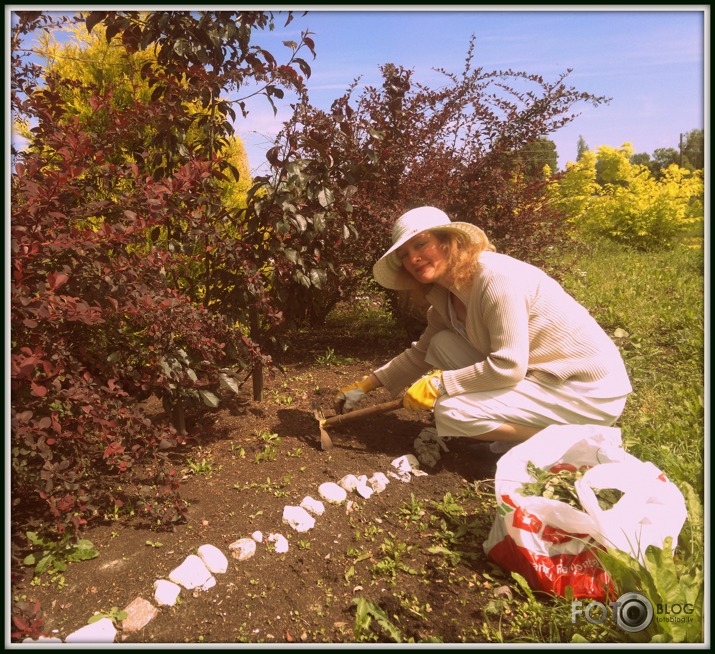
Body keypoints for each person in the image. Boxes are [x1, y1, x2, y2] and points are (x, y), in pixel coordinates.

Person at [334, 206, 632, 467]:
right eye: (405, 255)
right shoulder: (445, 298)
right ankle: (530, 429)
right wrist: (364, 386)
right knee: (441, 345)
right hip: (539, 376)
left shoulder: (495, 278)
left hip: (585, 390)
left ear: (449, 241)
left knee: (450, 411)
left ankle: (579, 442)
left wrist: (439, 384)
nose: (414, 258)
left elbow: (508, 367)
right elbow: (420, 353)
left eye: (421, 244)